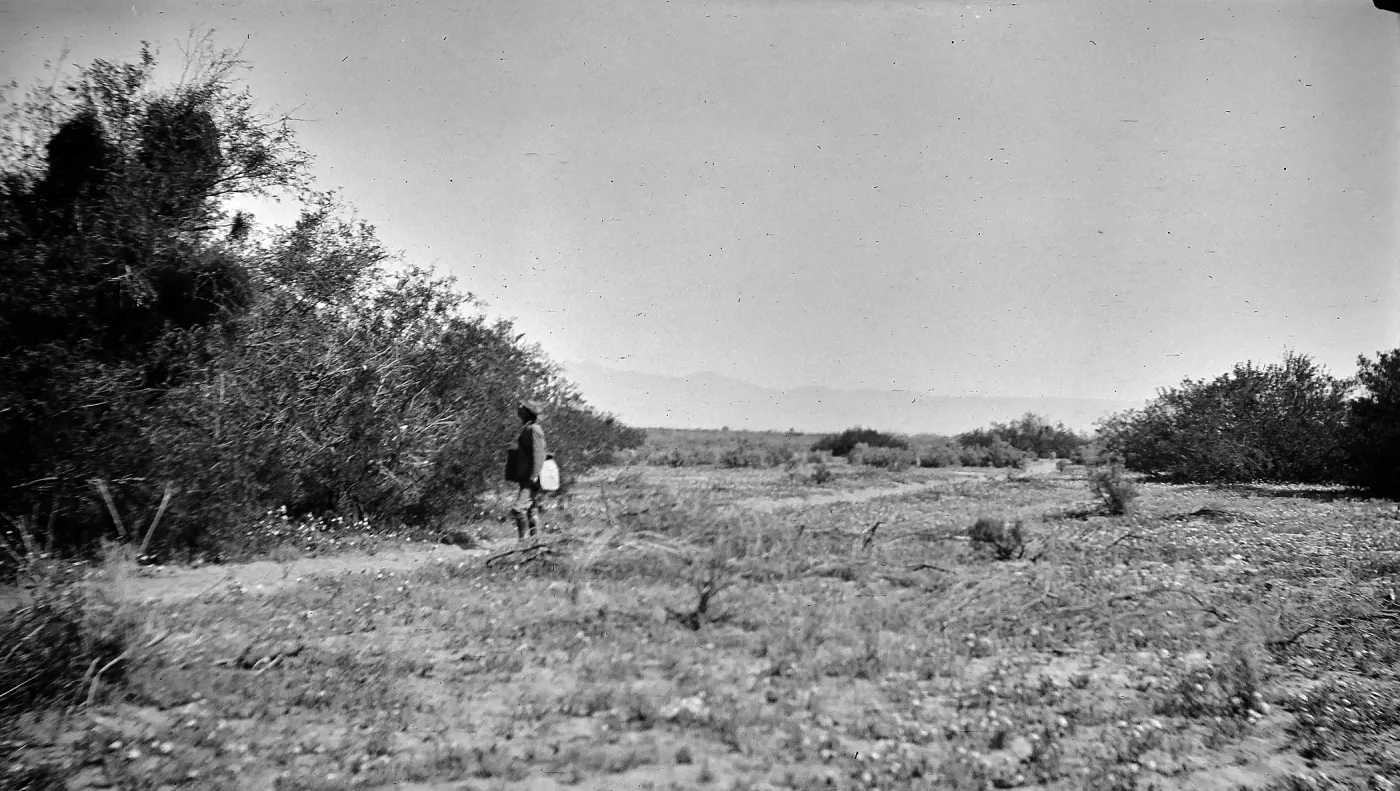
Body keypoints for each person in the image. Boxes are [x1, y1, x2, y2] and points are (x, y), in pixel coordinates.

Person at [508, 400, 547, 540]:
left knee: (518, 508)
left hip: (530, 477)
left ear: (528, 413)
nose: (519, 409)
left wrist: (534, 475)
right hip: (527, 476)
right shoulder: (529, 428)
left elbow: (539, 454)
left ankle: (523, 542)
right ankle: (536, 543)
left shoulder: (534, 429)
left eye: (523, 408)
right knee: (531, 509)